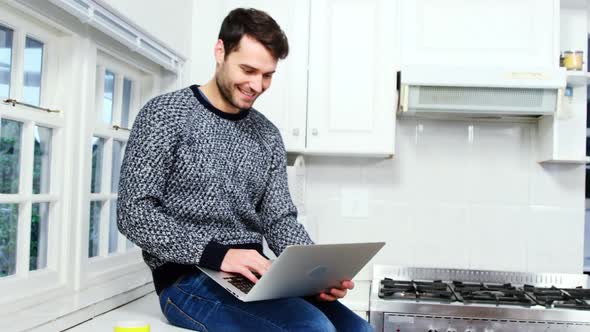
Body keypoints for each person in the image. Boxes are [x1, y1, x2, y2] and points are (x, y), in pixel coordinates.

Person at [117, 7, 373, 332]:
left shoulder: (267, 135)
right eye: (249, 70)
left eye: (267, 75)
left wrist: (315, 275)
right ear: (220, 51)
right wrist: (218, 255)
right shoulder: (164, 115)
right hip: (186, 278)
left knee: (359, 330)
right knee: (313, 328)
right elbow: (133, 213)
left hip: (255, 275)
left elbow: (279, 219)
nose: (257, 85)